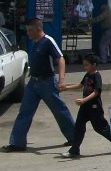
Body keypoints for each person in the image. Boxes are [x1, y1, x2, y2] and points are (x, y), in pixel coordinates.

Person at [2, 18, 75, 152]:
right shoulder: (35, 43)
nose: (28, 33)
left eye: (30, 30)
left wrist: (61, 80)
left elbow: (60, 59)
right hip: (33, 83)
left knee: (59, 110)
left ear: (38, 29)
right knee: (24, 112)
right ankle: (17, 143)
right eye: (27, 30)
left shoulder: (48, 41)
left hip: (47, 82)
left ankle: (74, 138)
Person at [61, 54, 111, 157]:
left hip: (94, 107)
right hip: (85, 107)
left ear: (94, 65)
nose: (85, 67)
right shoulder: (87, 74)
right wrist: (66, 88)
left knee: (100, 127)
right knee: (79, 127)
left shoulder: (96, 76)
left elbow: (96, 92)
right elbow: (80, 85)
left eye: (87, 65)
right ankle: (74, 150)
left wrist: (84, 100)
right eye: (84, 65)